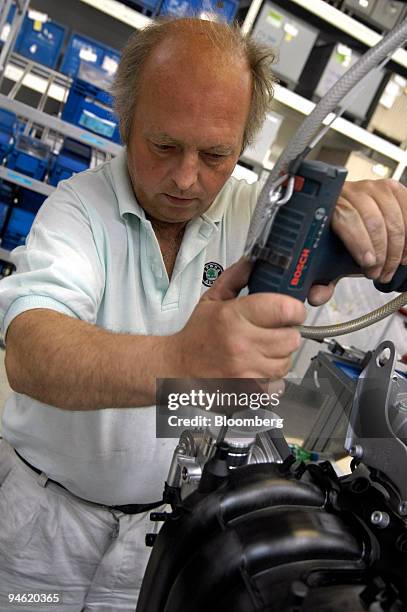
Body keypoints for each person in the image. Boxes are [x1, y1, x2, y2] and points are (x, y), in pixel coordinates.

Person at [0, 15, 406, 612]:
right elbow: (32, 356)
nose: (186, 178)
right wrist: (182, 360)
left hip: (164, 536)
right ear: (125, 119)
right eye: (163, 145)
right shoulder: (79, 208)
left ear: (244, 143)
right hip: (42, 529)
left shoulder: (266, 224)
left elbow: (370, 318)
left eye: (216, 154)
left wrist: (374, 230)